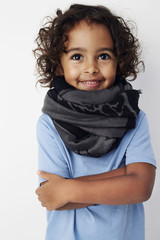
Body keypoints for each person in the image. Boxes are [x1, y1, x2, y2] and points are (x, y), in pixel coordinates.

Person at [34, 4, 156, 240]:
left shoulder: (135, 119)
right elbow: (52, 198)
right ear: (59, 65)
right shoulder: (49, 123)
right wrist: (123, 179)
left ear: (118, 61)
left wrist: (69, 188)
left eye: (103, 56)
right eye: (77, 56)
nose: (91, 67)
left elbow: (142, 187)